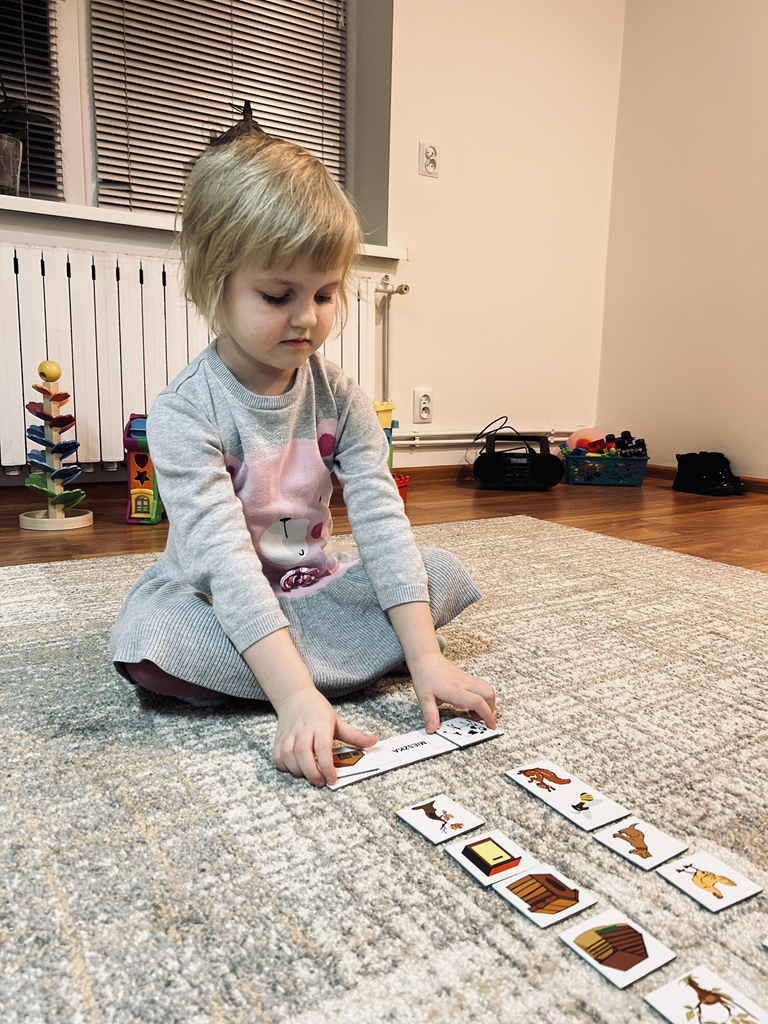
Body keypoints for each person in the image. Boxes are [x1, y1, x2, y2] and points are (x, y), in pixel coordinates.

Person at [110, 131, 496, 787]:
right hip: (218, 597)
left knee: (438, 572)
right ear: (213, 283)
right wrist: (293, 699)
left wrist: (426, 659)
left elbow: (381, 520)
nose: (307, 319)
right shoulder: (184, 411)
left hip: (310, 586)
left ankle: (309, 668)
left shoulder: (340, 396)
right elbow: (223, 564)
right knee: (153, 641)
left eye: (324, 294)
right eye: (277, 296)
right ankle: (307, 676)